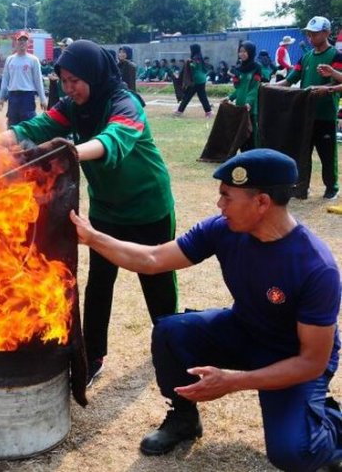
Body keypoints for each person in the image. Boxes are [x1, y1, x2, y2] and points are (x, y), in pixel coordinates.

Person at [70, 149, 342, 471]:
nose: (219, 206)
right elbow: (153, 259)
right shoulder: (223, 229)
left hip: (292, 357)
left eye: (227, 197)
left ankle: (331, 425)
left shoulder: (315, 267)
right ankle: (184, 418)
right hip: (245, 329)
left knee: (293, 452)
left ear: (262, 203)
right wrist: (92, 238)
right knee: (172, 332)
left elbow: (312, 361)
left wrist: (233, 380)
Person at [0, 40, 177, 387]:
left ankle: (171, 349)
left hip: (148, 207)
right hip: (107, 210)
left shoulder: (126, 103)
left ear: (93, 74)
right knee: (99, 285)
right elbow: (36, 128)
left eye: (75, 80)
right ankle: (92, 356)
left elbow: (113, 140)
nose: (69, 88)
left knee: (158, 287)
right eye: (63, 80)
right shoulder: (72, 107)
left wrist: (68, 153)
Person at [277, 16, 342, 200]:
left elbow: (339, 81)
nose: (310, 37)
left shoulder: (336, 57)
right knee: (302, 153)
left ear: (327, 33)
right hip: (305, 115)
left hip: (325, 114)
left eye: (314, 33)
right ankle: (301, 187)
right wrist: (268, 87)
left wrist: (327, 89)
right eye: (308, 34)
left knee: (327, 154)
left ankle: (331, 187)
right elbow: (289, 80)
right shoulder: (305, 57)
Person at [0, 30, 47, 127]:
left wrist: (43, 99)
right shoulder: (10, 59)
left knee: (28, 124)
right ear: (15, 42)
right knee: (12, 123)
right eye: (20, 40)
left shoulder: (33, 60)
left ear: (28, 43)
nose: (22, 42)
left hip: (27, 96)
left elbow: (38, 81)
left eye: (25, 40)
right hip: (13, 96)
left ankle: (29, 142)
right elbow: (5, 80)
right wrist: (1, 98)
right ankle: (13, 142)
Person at [222, 41, 263, 150]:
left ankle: (255, 155)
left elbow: (255, 88)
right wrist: (229, 97)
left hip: (250, 107)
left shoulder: (257, 67)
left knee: (251, 133)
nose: (242, 54)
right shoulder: (239, 69)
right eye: (240, 51)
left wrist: (249, 102)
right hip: (240, 106)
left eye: (245, 51)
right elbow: (239, 89)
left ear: (251, 52)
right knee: (240, 133)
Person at [174, 44, 213, 118]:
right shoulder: (199, 57)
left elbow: (194, 66)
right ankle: (208, 112)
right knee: (202, 96)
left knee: (188, 96)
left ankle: (179, 111)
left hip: (196, 80)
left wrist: (189, 63)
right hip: (202, 79)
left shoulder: (195, 58)